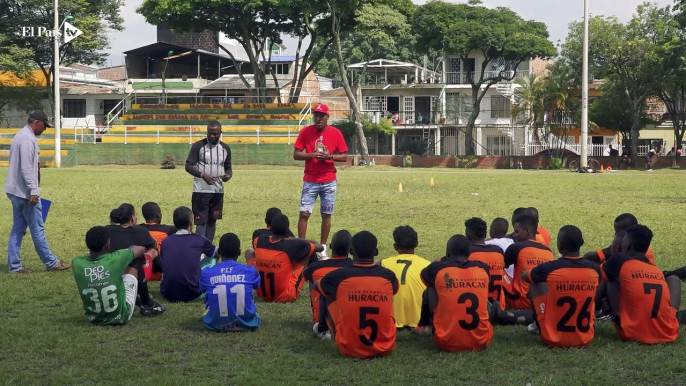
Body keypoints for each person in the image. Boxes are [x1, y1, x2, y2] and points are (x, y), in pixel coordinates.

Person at [4, 111, 70, 273]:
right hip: (25, 193)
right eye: (44, 125)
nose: (45, 129)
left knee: (18, 229)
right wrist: (33, 191)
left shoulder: (20, 135)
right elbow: (26, 168)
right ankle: (51, 262)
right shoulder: (27, 139)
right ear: (37, 122)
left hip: (15, 191)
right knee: (37, 228)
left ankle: (14, 266)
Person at [315, 231, 398, 359]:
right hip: (385, 347)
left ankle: (322, 330)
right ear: (376, 252)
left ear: (351, 251)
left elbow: (316, 285)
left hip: (348, 347)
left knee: (325, 290)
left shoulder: (338, 275)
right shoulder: (389, 276)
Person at [522, 225, 601, 347]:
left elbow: (525, 276)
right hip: (584, 339)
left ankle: (539, 325)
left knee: (535, 280)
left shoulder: (550, 268)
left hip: (552, 339)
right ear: (582, 243)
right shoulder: (594, 269)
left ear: (560, 245)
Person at [601, 225, 680, 344]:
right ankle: (671, 317)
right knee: (674, 279)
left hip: (633, 333)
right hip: (668, 332)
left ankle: (594, 312)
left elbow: (597, 275)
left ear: (627, 244)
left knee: (609, 277)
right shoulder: (655, 269)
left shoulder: (619, 258)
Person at [419, 235, 493, 352]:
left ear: (448, 253)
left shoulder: (437, 268)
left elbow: (425, 276)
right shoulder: (482, 268)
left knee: (430, 287)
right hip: (481, 341)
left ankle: (427, 325)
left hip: (446, 342)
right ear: (469, 253)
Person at [293, 103, 348, 256]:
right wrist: (313, 154)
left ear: (327, 117)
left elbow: (344, 156)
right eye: (316, 116)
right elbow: (296, 154)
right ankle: (301, 246)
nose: (318, 119)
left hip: (329, 181)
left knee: (326, 214)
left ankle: (322, 247)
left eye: (321, 116)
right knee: (304, 213)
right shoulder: (306, 132)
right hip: (310, 179)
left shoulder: (336, 133)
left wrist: (329, 156)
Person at [72, 226, 145, 325]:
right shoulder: (117, 258)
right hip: (121, 316)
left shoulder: (77, 263)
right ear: (107, 245)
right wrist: (128, 250)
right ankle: (147, 303)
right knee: (135, 260)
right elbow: (140, 249)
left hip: (95, 319)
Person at [247, 214, 324, 302]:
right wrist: (297, 240)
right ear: (287, 230)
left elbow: (249, 252)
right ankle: (315, 287)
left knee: (250, 253)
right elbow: (320, 247)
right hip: (285, 296)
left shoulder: (259, 240)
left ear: (270, 229)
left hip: (261, 294)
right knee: (308, 254)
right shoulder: (291, 245)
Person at [107, 203, 166, 316]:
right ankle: (147, 303)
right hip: (130, 273)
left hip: (110, 272)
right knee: (143, 254)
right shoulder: (140, 231)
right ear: (132, 217)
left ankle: (142, 301)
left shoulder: (108, 230)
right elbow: (153, 245)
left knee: (133, 255)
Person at [200, 233, 261, 332]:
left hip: (214, 324)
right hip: (247, 323)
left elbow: (202, 289)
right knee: (250, 296)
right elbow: (257, 286)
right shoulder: (250, 271)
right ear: (239, 252)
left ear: (219, 251)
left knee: (208, 295)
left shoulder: (207, 272)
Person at [185, 120, 232, 243]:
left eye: (215, 133)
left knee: (212, 220)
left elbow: (228, 167)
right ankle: (199, 249)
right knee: (201, 221)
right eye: (210, 133)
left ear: (220, 133)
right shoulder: (198, 146)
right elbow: (188, 166)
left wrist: (228, 175)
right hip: (201, 191)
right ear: (207, 132)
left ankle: (208, 248)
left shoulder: (225, 148)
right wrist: (202, 174)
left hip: (217, 191)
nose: (212, 136)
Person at [160, 206, 218, 302]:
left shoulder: (166, 241)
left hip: (167, 293)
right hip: (193, 293)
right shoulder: (199, 239)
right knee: (212, 259)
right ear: (191, 222)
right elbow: (216, 253)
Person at [304, 230, 353, 337]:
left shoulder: (315, 267)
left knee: (314, 280)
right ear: (351, 250)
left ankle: (319, 319)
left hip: (321, 321)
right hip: (349, 322)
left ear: (330, 246)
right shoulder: (356, 269)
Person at [379, 225, 430, 328]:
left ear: (395, 246)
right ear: (416, 244)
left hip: (392, 321)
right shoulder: (428, 265)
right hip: (419, 321)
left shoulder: (383, 264)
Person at [502, 214, 555, 310]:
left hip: (521, 302)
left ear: (527, 231)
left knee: (494, 266)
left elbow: (502, 265)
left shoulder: (517, 247)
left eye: (517, 232)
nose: (514, 235)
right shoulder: (548, 251)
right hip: (544, 302)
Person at [465, 217, 506, 310]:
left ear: (468, 236)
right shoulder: (498, 251)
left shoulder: (467, 253)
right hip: (499, 305)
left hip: (476, 307)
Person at [583, 213, 655, 265]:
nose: (615, 234)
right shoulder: (644, 246)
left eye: (618, 232)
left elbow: (588, 256)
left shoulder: (621, 246)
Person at [137, 201, 175, 281]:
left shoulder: (137, 230)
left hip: (142, 272)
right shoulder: (169, 230)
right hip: (161, 272)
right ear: (158, 214)